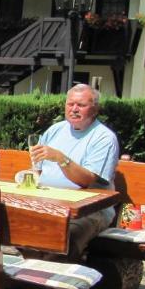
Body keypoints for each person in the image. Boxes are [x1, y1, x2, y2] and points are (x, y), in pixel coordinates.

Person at [30, 84, 120, 260]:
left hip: (90, 210)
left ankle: (55, 283)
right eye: (70, 104)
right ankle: (26, 276)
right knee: (17, 224)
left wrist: (61, 158)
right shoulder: (55, 130)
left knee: (66, 235)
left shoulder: (104, 138)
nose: (74, 109)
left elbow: (86, 180)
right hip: (51, 202)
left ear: (94, 109)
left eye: (81, 105)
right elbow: (37, 169)